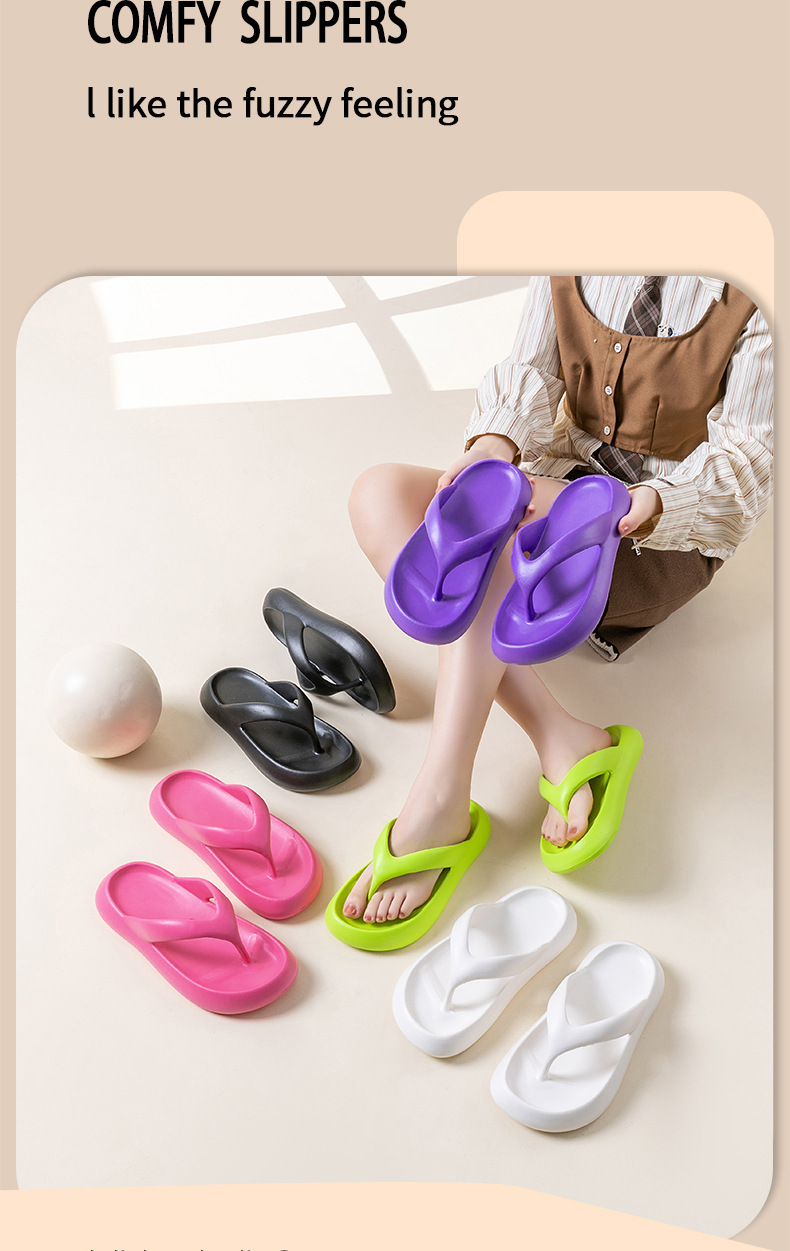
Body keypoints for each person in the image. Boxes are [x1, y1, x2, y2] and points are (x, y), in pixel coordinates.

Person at [342, 276, 773, 924]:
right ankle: (563, 735)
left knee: (495, 541)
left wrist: (652, 504)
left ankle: (439, 797)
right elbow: (533, 369)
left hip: (654, 533)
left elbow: (747, 461)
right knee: (378, 494)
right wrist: (494, 445)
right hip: (552, 482)